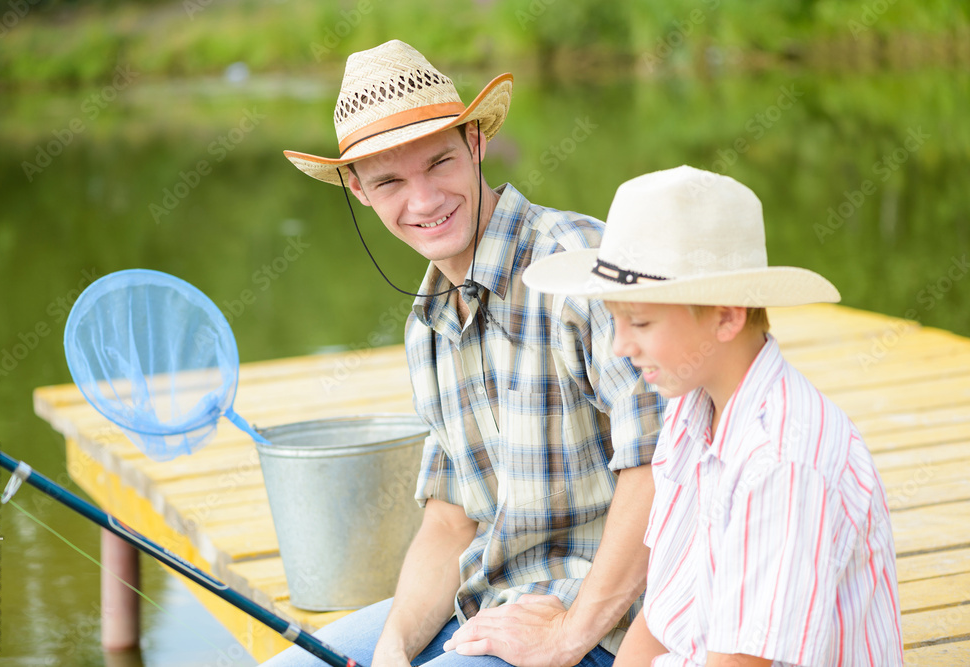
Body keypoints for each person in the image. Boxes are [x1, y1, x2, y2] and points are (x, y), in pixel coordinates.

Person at [264, 40, 664, 667]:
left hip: (616, 620)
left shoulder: (580, 264)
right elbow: (451, 521)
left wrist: (567, 636)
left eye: (439, 163)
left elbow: (663, 469)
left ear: (476, 142)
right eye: (390, 180)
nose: (423, 201)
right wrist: (391, 652)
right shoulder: (427, 326)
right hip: (495, 602)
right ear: (357, 189)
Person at [522, 165, 904, 666]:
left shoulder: (781, 460)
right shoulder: (691, 406)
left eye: (639, 321)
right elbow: (661, 613)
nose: (619, 346)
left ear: (726, 316)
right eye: (615, 319)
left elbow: (744, 661)